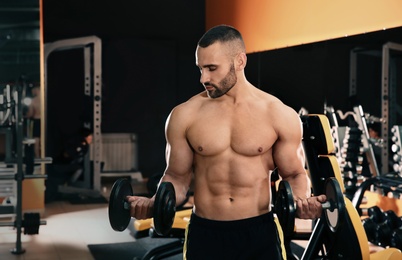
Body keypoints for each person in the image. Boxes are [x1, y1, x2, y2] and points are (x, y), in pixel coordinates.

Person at [127, 25, 326, 259]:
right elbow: (177, 177)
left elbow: (294, 174)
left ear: (240, 61)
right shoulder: (184, 115)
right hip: (205, 232)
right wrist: (156, 203)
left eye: (212, 68)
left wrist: (301, 200)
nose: (204, 78)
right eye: (200, 68)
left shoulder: (278, 114)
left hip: (259, 232)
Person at [25, 85, 41, 158]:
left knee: (36, 141)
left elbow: (30, 113)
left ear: (36, 89)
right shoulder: (45, 99)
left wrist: (24, 116)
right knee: (44, 139)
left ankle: (37, 157)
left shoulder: (34, 101)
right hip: (45, 121)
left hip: (37, 121)